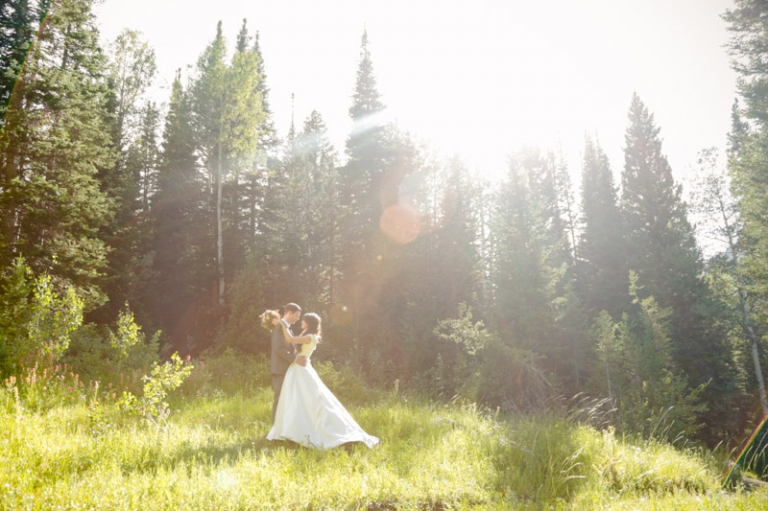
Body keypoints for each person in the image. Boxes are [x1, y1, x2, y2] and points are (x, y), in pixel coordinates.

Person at [267, 313, 379, 449]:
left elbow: (290, 339)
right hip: (299, 368)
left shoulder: (309, 337)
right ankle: (291, 430)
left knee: (304, 400)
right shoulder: (310, 336)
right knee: (297, 399)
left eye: (304, 320)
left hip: (300, 369)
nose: (301, 321)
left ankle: (305, 430)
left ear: (308, 323)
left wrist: (281, 324)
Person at [270, 303, 305, 424]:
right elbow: (278, 349)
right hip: (280, 369)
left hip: (288, 369)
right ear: (289, 313)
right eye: (296, 315)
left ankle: (284, 428)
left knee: (288, 399)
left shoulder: (287, 327)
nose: (297, 318)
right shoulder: (278, 327)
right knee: (279, 399)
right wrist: (295, 359)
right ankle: (275, 430)